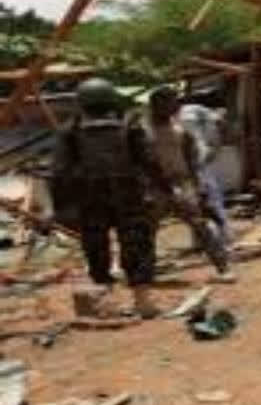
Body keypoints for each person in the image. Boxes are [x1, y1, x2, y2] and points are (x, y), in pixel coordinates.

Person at [51, 78, 164, 317]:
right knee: (137, 245)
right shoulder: (129, 126)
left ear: (81, 103)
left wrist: (61, 207)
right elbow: (150, 162)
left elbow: (59, 173)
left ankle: (103, 303)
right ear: (112, 100)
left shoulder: (69, 131)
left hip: (90, 199)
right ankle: (142, 301)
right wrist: (163, 189)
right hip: (129, 196)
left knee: (96, 248)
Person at [144, 87, 235, 283]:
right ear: (155, 106)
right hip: (155, 186)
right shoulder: (143, 132)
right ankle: (145, 272)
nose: (173, 107)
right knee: (147, 231)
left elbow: (191, 159)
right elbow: (141, 162)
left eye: (173, 103)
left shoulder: (180, 131)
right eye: (168, 103)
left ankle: (223, 267)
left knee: (201, 226)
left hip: (182, 183)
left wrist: (197, 185)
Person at [177, 101, 231, 243]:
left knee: (197, 203)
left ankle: (202, 238)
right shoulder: (207, 118)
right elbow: (207, 144)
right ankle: (220, 236)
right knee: (210, 199)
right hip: (196, 165)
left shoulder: (189, 116)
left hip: (191, 165)